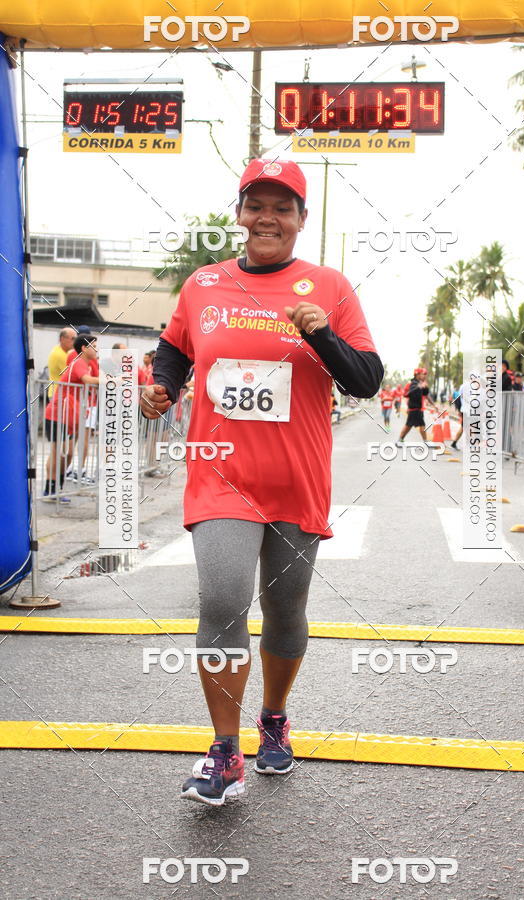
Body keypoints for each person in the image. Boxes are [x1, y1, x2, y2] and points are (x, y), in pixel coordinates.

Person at [141, 158, 383, 806]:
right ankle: (224, 751)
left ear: (302, 219)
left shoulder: (328, 287)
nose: (268, 218)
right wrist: (164, 385)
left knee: (285, 609)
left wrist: (323, 335)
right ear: (241, 213)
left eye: (283, 207)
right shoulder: (204, 284)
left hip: (296, 479)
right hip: (222, 475)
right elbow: (175, 347)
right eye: (257, 205)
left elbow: (366, 378)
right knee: (222, 600)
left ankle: (274, 714)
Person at [43, 335, 99, 499]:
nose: (97, 349)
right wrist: (113, 380)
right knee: (58, 452)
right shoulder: (78, 362)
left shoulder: (88, 364)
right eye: (94, 346)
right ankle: (51, 489)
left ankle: (56, 489)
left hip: (70, 415)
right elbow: (88, 380)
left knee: (66, 453)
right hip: (58, 414)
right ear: (84, 348)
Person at [396, 368, 438, 446]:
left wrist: (425, 387)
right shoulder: (413, 383)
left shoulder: (420, 383)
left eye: (425, 374)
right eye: (422, 374)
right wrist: (419, 386)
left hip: (418, 408)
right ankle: (400, 440)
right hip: (413, 408)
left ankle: (425, 441)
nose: (424, 376)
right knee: (409, 425)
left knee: (420, 425)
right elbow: (408, 394)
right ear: (417, 375)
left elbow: (426, 394)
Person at [47, 328, 76, 397]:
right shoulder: (60, 355)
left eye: (75, 339)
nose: (74, 341)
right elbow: (71, 375)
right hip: (59, 394)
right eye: (72, 339)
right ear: (62, 339)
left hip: (57, 392)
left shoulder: (58, 349)